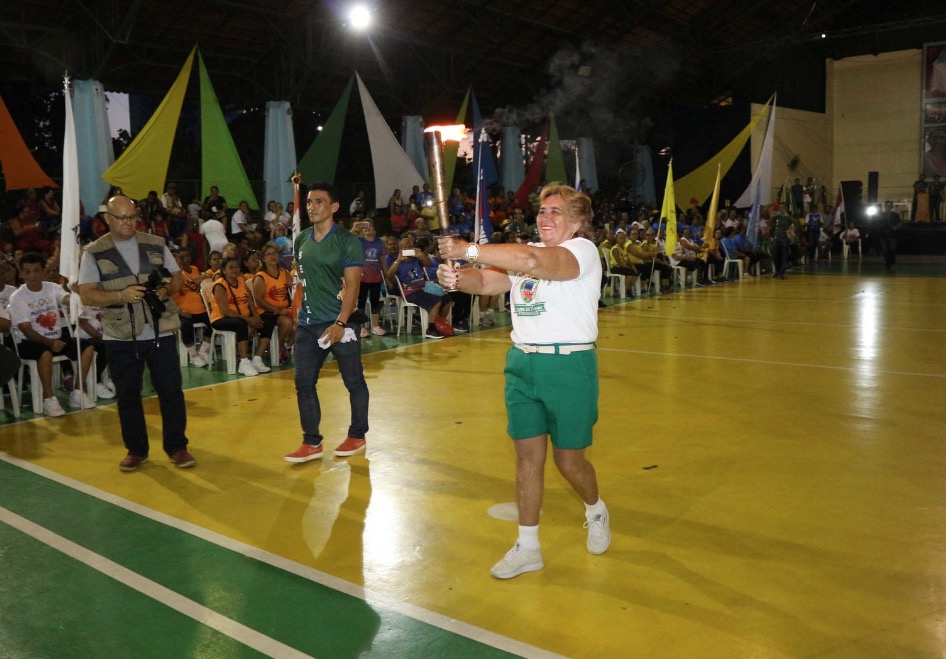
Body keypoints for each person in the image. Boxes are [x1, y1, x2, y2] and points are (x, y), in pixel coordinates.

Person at [436, 182, 611, 580]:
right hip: (522, 364)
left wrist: (468, 250)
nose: (545, 217)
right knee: (527, 460)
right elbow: (485, 283)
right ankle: (528, 546)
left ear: (577, 222)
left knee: (569, 462)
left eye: (556, 212)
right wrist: (456, 277)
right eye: (542, 211)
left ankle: (596, 508)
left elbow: (531, 261)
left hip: (569, 366)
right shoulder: (524, 255)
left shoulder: (582, 252)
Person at [78, 194, 195, 472]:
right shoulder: (94, 251)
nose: (128, 222)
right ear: (108, 219)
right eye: (122, 218)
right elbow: (87, 294)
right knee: (128, 395)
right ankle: (136, 450)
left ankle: (177, 446)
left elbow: (177, 277)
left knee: (171, 391)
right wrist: (121, 294)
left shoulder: (156, 243)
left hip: (160, 329)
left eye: (132, 217)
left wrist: (165, 290)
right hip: (120, 334)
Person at [284, 182, 369, 463]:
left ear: (334, 207)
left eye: (319, 201)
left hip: (340, 324)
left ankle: (357, 435)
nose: (312, 207)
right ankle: (312, 442)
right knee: (303, 383)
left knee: (353, 381)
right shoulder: (301, 240)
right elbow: (302, 280)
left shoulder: (347, 241)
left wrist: (341, 324)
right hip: (309, 324)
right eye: (309, 202)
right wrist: (298, 313)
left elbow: (353, 287)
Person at [10, 252, 97, 416]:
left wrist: (75, 294)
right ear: (21, 273)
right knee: (45, 353)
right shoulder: (17, 297)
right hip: (29, 341)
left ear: (44, 271)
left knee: (86, 347)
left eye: (37, 270)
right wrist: (50, 343)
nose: (32, 275)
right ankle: (49, 399)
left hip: (56, 337)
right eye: (27, 271)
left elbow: (67, 299)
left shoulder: (52, 287)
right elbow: (26, 330)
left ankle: (77, 392)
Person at [209, 257, 270, 375]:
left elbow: (250, 301)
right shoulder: (219, 285)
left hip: (243, 317)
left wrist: (256, 316)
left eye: (237, 267)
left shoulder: (241, 280)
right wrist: (248, 320)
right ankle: (244, 362)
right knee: (240, 324)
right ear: (224, 270)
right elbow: (225, 311)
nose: (235, 270)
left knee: (266, 321)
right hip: (221, 319)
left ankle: (257, 359)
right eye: (231, 267)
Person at [877, 200, 902, 271]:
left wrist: (896, 227)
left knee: (892, 249)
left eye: (890, 206)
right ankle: (887, 263)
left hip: (892, 234)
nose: (889, 207)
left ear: (892, 207)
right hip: (883, 235)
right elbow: (877, 223)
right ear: (885, 206)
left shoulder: (895, 215)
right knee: (885, 249)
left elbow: (900, 222)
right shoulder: (881, 215)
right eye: (887, 205)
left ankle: (892, 260)